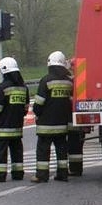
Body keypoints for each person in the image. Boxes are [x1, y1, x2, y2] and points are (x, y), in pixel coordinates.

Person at [31, 51, 73, 183]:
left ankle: (42, 175)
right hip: (62, 124)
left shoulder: (46, 80)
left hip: (46, 125)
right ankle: (62, 174)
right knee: (61, 150)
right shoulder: (69, 81)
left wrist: (37, 113)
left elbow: (39, 102)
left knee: (43, 151)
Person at [0, 57, 29, 182]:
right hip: (17, 127)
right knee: (17, 151)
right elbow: (25, 108)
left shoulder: (2, 88)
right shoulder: (24, 88)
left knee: (1, 152)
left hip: (3, 128)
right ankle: (18, 174)